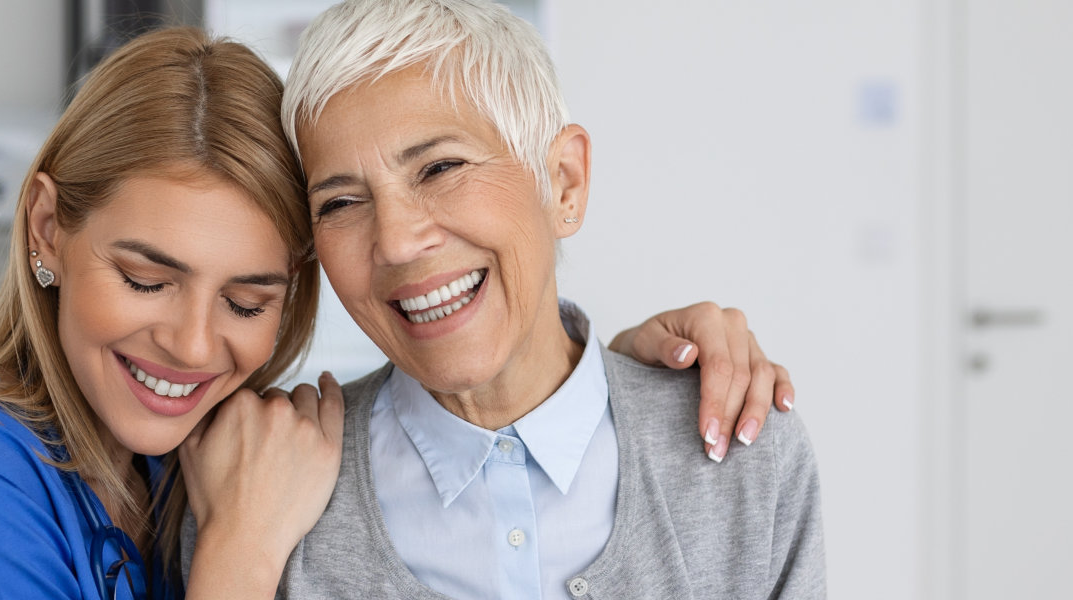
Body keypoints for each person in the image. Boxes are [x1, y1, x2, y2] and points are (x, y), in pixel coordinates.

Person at [0, 25, 795, 600]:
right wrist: (239, 554)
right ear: (48, 231)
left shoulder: (187, 456)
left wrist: (600, 384)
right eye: (146, 278)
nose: (191, 342)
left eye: (247, 299)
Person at [179, 1, 824, 598]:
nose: (398, 242)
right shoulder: (256, 496)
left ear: (563, 183)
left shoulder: (746, 464)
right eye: (341, 203)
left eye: (440, 168)